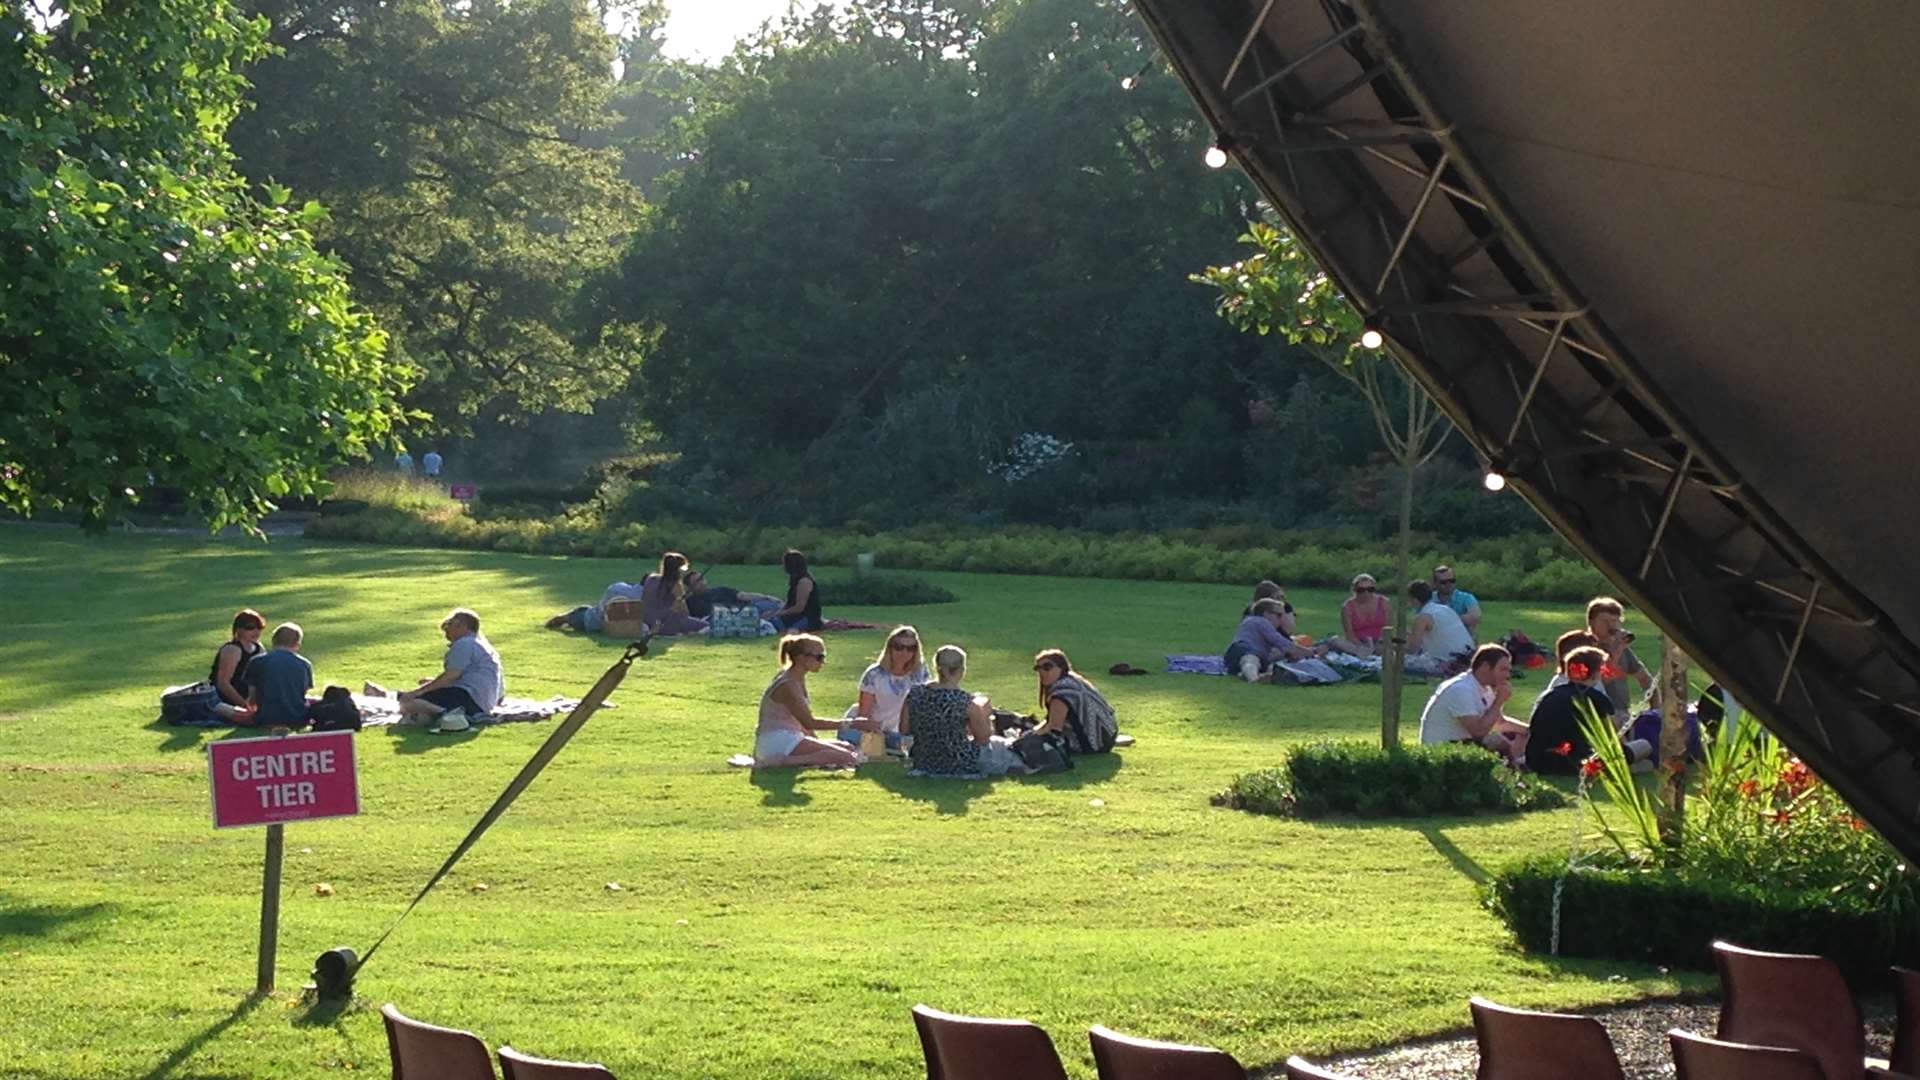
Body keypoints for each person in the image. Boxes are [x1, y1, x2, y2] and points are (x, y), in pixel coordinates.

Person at [369, 608, 504, 732]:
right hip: (482, 701)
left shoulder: (464, 644)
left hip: (468, 699)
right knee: (423, 695)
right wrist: (432, 683)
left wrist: (418, 692)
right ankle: (390, 695)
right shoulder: (481, 646)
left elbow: (450, 676)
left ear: (461, 626)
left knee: (409, 703)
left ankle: (446, 714)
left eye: (450, 625)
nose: (446, 630)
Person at [753, 634, 876, 767]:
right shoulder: (788, 685)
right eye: (819, 657)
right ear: (801, 658)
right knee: (846, 757)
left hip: (789, 737)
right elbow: (809, 723)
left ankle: (802, 760)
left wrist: (817, 743)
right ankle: (784, 761)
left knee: (848, 748)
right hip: (778, 740)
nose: (823, 662)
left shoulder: (795, 678)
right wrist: (852, 724)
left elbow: (803, 723)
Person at [1527, 644, 1653, 774]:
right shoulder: (1596, 698)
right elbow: (1614, 738)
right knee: (1644, 746)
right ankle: (1623, 769)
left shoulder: (1549, 695)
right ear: (1595, 673)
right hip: (1576, 764)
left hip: (1536, 761)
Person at [903, 645, 1024, 777]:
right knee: (1007, 748)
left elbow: (904, 729)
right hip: (960, 763)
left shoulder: (915, 693)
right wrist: (984, 714)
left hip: (924, 762)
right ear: (962, 670)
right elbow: (983, 739)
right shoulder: (965, 701)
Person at [1417, 643, 1530, 763]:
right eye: (1503, 669)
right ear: (1485, 666)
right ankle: (1515, 769)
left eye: (1508, 670)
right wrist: (1499, 701)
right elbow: (1478, 732)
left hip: (1461, 744)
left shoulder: (1485, 688)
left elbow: (1499, 723)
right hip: (1440, 752)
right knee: (1496, 742)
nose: (1507, 675)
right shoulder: (1461, 690)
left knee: (1515, 735)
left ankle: (1518, 765)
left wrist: (1529, 730)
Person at [838, 625, 929, 751]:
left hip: (899, 732)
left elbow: (921, 708)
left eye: (910, 648)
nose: (904, 653)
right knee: (853, 736)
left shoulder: (920, 673)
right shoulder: (874, 674)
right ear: (890, 648)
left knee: (909, 743)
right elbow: (864, 714)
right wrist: (873, 731)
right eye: (899, 647)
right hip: (873, 727)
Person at [1033, 649, 1118, 754]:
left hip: (1091, 745)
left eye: (1047, 667)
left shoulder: (1061, 694)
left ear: (1061, 667)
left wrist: (1030, 737)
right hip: (1109, 736)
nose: (1042, 672)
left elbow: (1054, 729)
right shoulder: (1075, 680)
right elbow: (1050, 720)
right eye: (1038, 668)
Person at [1586, 596, 1652, 722]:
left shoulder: (1622, 649)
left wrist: (1656, 711)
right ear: (1591, 622)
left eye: (1615, 621)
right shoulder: (1586, 649)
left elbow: (1645, 679)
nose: (1611, 626)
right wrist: (1617, 651)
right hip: (1599, 714)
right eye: (1605, 621)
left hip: (1622, 712)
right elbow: (1602, 679)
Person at [1225, 599, 1323, 683]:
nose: (1281, 620)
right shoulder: (1261, 621)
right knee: (1251, 659)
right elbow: (1281, 642)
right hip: (1242, 649)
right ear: (1265, 613)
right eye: (1279, 615)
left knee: (1261, 662)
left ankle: (1248, 674)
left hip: (1239, 657)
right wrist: (1310, 652)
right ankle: (1254, 679)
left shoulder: (1253, 621)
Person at [246, 623, 315, 730]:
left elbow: (252, 699)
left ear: (273, 641)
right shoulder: (305, 664)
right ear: (297, 644)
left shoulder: (256, 661)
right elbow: (302, 693)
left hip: (266, 719)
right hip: (297, 719)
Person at [1404, 580, 1475, 675]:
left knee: (1393, 662)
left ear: (1415, 600)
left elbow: (1412, 649)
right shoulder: (1445, 609)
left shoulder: (1423, 617)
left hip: (1447, 663)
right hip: (1469, 658)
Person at [210, 609, 267, 721]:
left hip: (248, 697)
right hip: (225, 699)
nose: (256, 631)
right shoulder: (232, 650)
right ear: (239, 629)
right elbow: (223, 684)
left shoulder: (259, 648)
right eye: (250, 628)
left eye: (259, 627)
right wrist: (243, 704)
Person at [640, 552, 709, 636]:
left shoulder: (651, 578)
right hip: (666, 624)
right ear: (678, 569)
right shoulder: (675, 585)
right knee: (707, 626)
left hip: (647, 621)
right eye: (685, 567)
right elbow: (684, 612)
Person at [545, 579, 647, 633]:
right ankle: (562, 619)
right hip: (593, 620)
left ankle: (562, 619)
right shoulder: (651, 598)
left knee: (584, 613)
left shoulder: (617, 588)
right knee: (577, 615)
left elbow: (601, 609)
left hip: (591, 620)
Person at [1326, 573, 1390, 657]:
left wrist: (1381, 640)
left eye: (1370, 589)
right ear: (1354, 590)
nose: (1366, 593)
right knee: (1335, 640)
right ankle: (1365, 653)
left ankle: (1367, 654)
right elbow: (1349, 634)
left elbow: (1390, 626)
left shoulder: (1384, 602)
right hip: (1358, 643)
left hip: (1380, 641)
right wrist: (1362, 646)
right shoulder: (1347, 607)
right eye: (1361, 590)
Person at [682, 570, 782, 621]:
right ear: (690, 587)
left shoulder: (721, 589)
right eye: (697, 581)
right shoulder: (692, 601)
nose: (702, 583)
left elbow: (743, 595)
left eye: (702, 579)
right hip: (739, 616)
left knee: (775, 604)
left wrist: (767, 597)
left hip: (751, 606)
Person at [767, 549, 822, 632]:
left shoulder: (804, 581)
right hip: (795, 615)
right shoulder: (795, 580)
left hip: (807, 617)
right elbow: (789, 603)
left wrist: (778, 614)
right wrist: (775, 612)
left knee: (779, 625)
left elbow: (799, 607)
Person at [1432, 564, 1482, 640]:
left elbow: (1475, 617)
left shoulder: (1466, 598)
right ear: (1435, 583)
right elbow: (1420, 620)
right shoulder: (1429, 599)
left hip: (1463, 645)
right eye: (1443, 582)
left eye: (1452, 581)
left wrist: (1443, 621)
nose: (1448, 584)